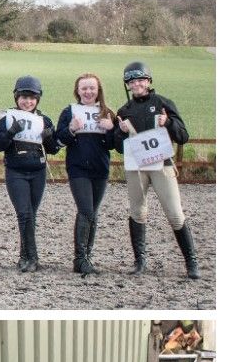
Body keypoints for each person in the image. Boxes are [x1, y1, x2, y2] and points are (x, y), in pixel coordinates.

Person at [114, 61, 198, 279]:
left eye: (141, 80)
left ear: (148, 81)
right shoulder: (124, 111)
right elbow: (118, 146)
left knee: (175, 214)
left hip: (161, 165)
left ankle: (191, 262)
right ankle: (139, 261)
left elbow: (183, 136)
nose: (137, 84)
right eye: (132, 81)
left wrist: (168, 122)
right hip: (136, 168)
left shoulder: (163, 103)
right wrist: (121, 132)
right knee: (138, 212)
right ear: (127, 84)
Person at [0, 76, 61, 272]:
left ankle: (24, 256)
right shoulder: (7, 118)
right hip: (16, 170)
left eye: (32, 98)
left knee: (31, 214)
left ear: (38, 99)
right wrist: (10, 132)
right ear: (16, 98)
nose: (27, 102)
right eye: (23, 97)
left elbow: (53, 149)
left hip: (38, 171)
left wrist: (49, 138)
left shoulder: (44, 119)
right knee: (24, 213)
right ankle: (33, 257)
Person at [55, 73, 117, 277]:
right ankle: (79, 258)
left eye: (92, 88)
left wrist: (110, 130)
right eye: (84, 88)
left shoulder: (107, 112)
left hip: (100, 169)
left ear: (98, 90)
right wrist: (71, 129)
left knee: (93, 213)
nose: (88, 92)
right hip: (78, 168)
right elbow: (58, 140)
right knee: (86, 211)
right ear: (77, 91)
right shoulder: (69, 111)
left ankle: (86, 257)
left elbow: (113, 144)